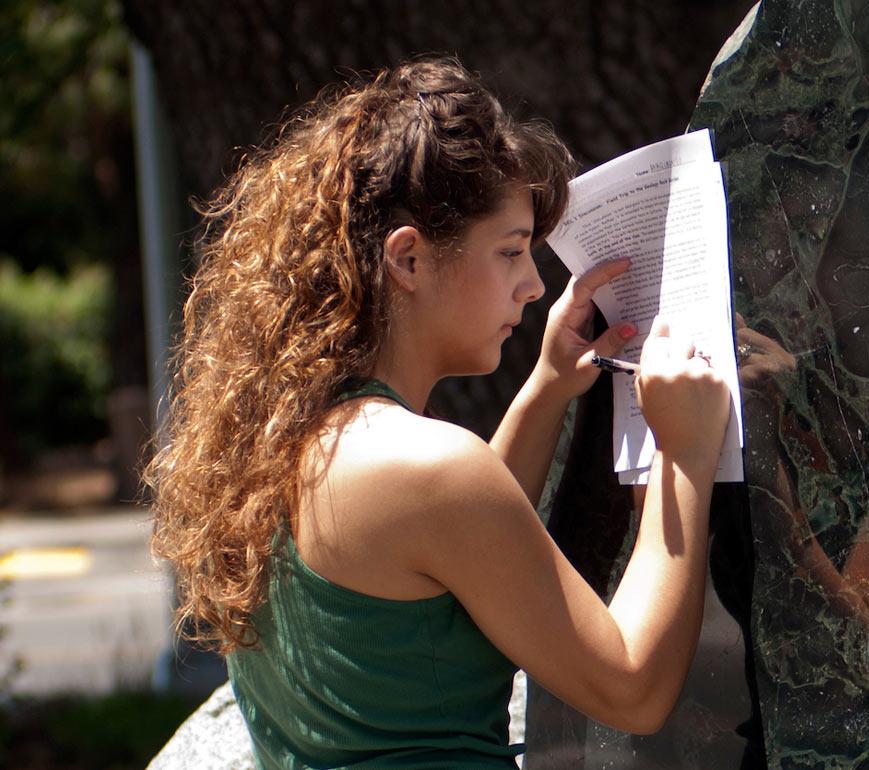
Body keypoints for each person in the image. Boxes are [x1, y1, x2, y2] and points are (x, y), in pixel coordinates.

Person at [143, 57, 732, 767]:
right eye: (511, 251)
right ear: (409, 259)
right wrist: (684, 455)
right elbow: (633, 688)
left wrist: (547, 387)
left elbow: (462, 552)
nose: (531, 288)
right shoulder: (427, 469)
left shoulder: (283, 444)